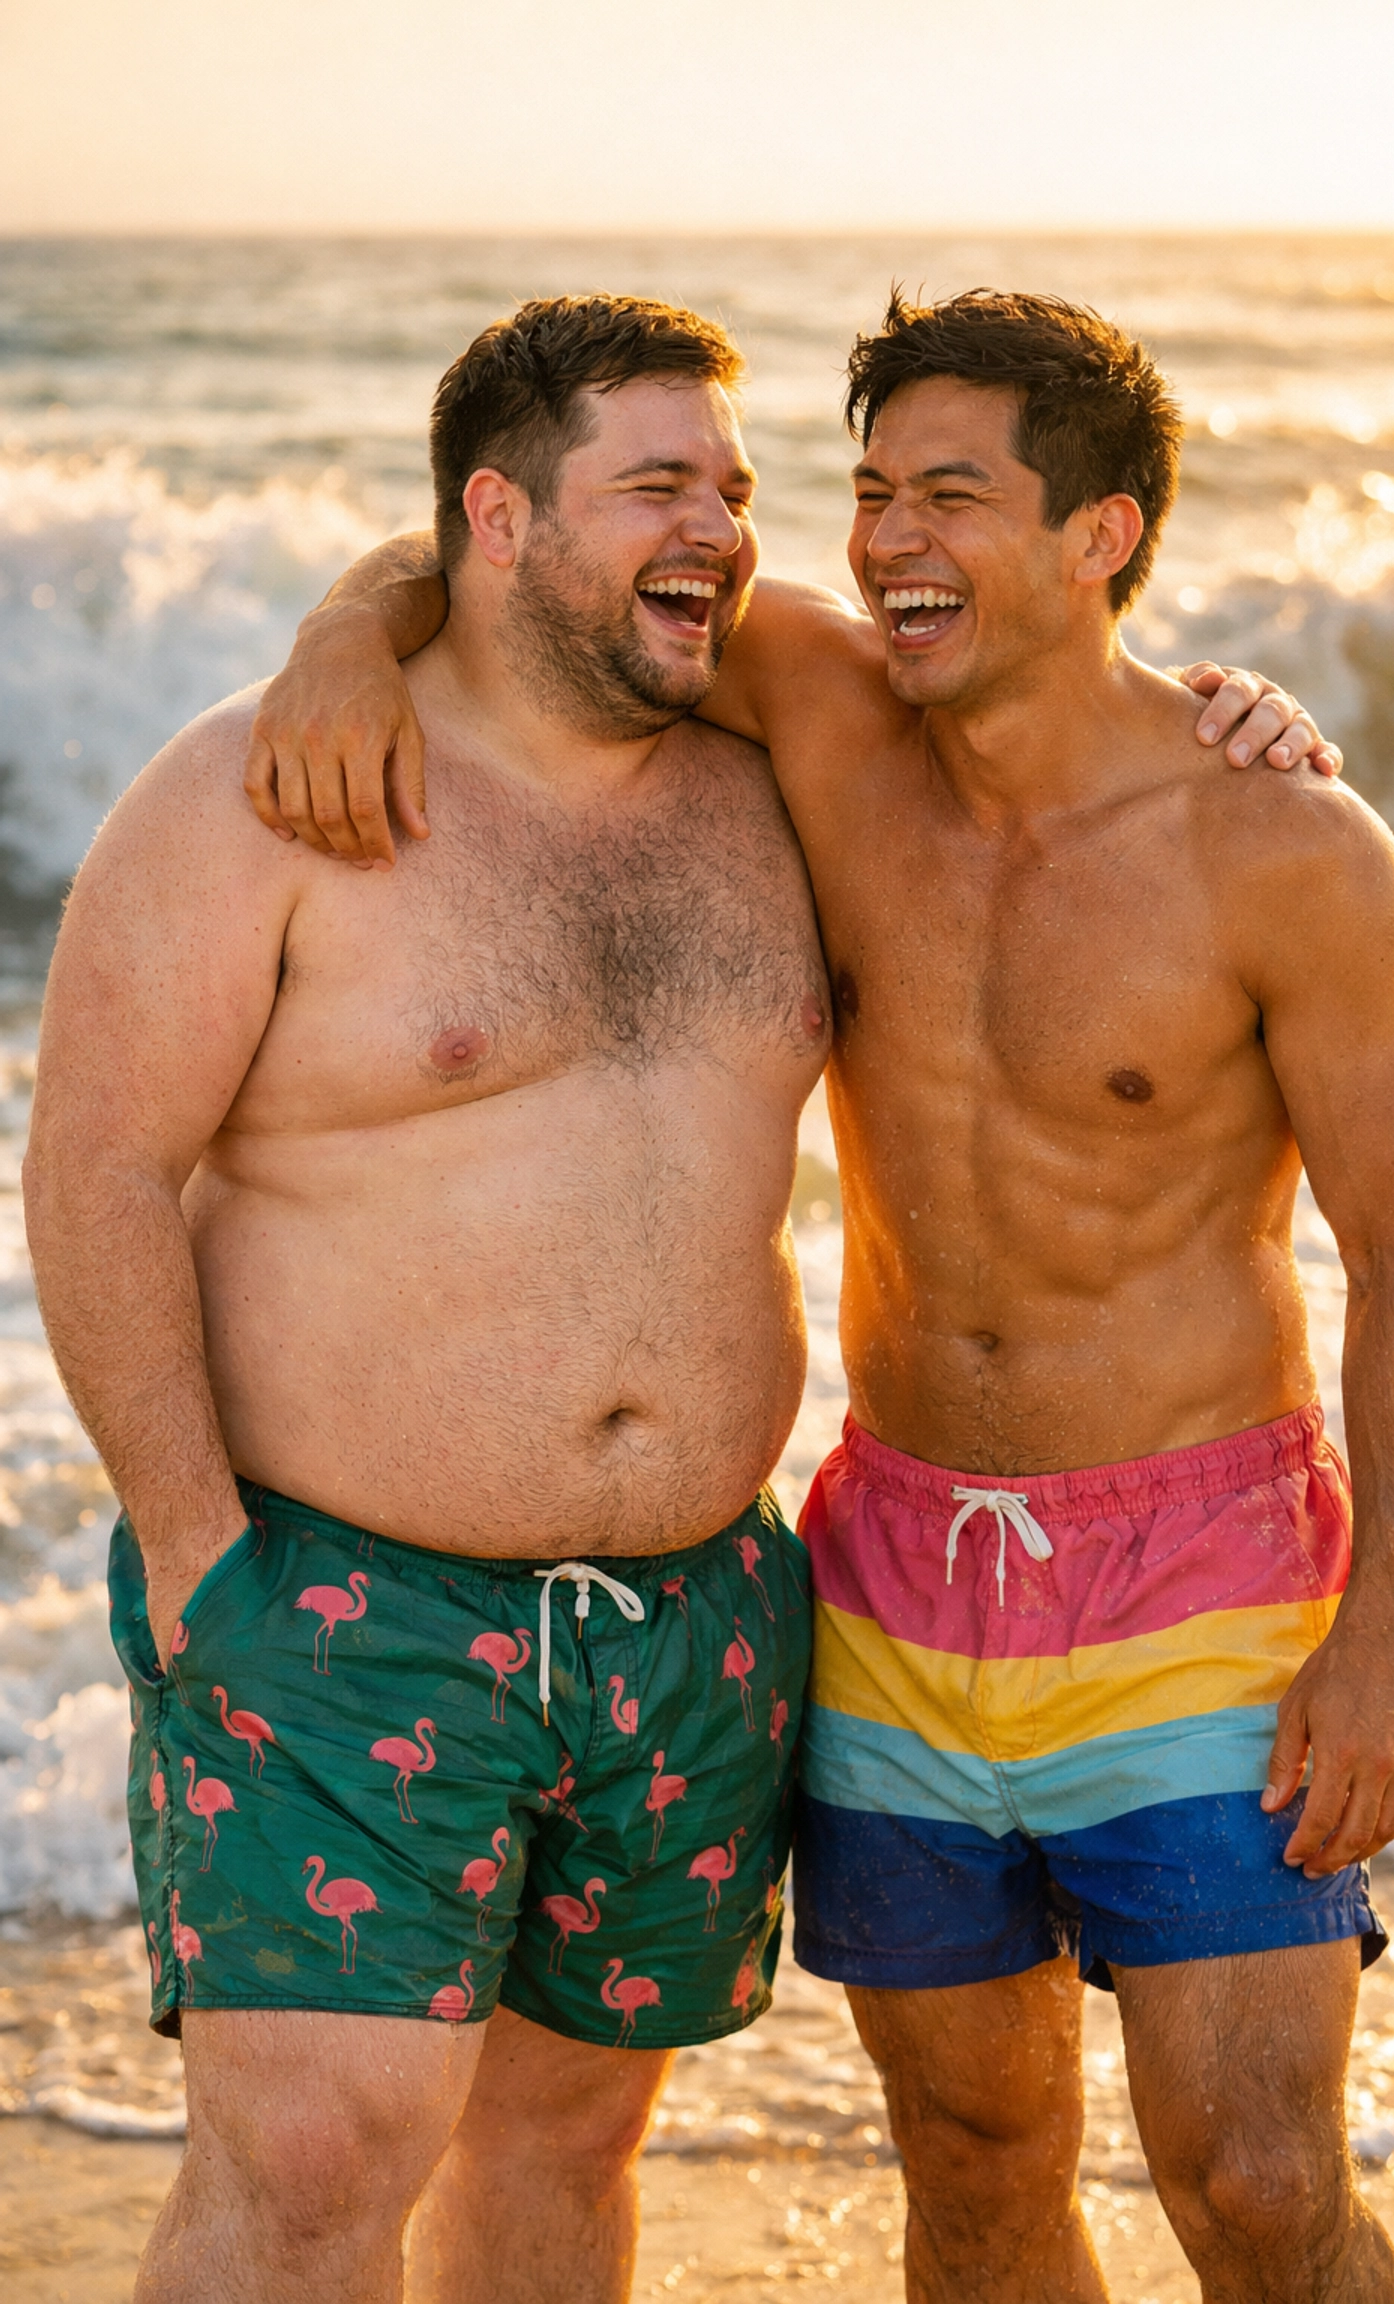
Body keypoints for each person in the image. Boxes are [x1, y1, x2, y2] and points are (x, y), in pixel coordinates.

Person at [256, 288, 1394, 2304]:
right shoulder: (825, 723)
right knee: (980, 2167)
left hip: (1200, 1574)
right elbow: (532, 558)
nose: (889, 540)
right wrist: (329, 642)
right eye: (874, 492)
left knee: (1258, 2182)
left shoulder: (1285, 845)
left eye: (954, 497)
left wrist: (1390, 1639)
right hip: (898, 1579)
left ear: (1097, 536)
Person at [25, 297, 836, 2304]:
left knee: (564, 2160)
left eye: (733, 487)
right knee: (306, 2172)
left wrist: (1231, 710)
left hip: (693, 1625)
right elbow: (98, 1166)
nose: (720, 530)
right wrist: (197, 1542)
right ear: (497, 516)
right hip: (339, 1610)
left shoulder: (784, 775)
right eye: (657, 484)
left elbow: (1036, 721)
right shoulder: (267, 794)